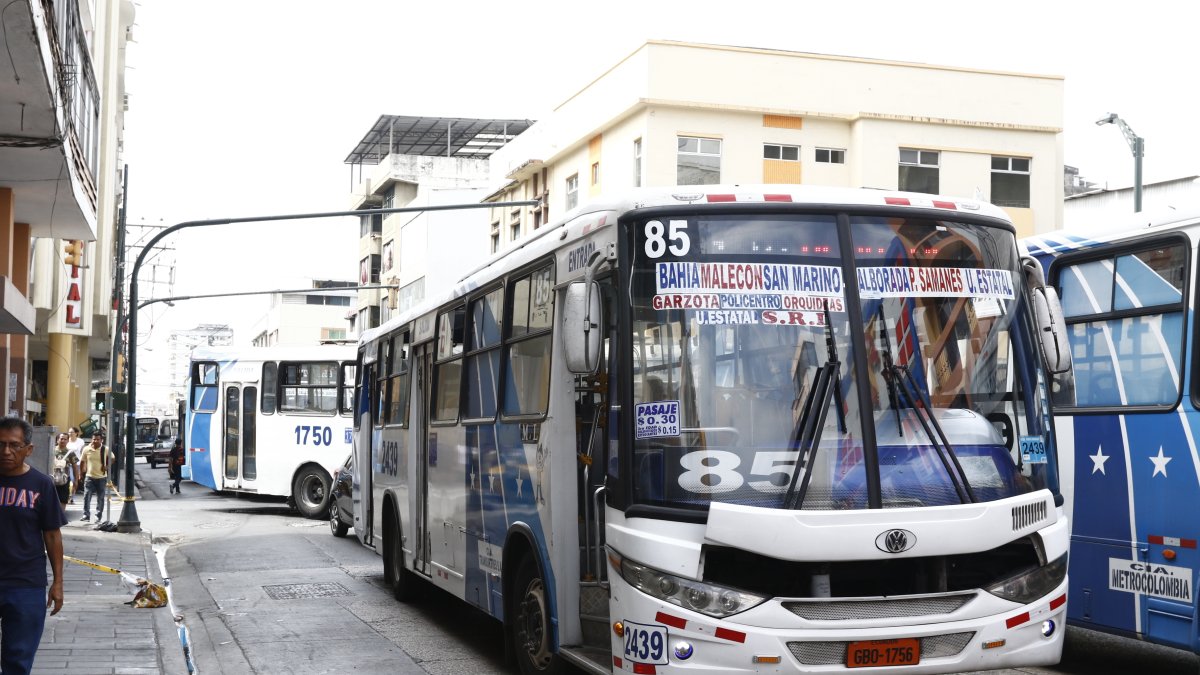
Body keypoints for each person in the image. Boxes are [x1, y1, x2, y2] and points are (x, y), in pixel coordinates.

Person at [0, 416, 66, 675]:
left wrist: (58, 583)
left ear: (28, 449)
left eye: (14, 445)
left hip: (25, 584)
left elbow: (52, 535)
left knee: (18, 659)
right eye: (1, 444)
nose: (6, 451)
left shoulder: (41, 485)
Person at [79, 432, 111, 523]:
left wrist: (107, 466)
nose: (95, 441)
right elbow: (82, 461)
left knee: (100, 498)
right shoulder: (86, 449)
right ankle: (86, 515)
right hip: (89, 477)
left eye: (97, 439)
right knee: (86, 496)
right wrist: (81, 473)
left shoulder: (105, 449)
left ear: (101, 440)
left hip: (101, 477)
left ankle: (98, 516)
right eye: (94, 439)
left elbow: (112, 458)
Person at [51, 433, 72, 509]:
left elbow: (75, 466)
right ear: (57, 440)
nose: (63, 440)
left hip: (65, 479)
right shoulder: (51, 450)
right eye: (61, 438)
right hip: (52, 478)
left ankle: (61, 517)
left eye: (65, 439)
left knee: (63, 499)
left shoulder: (70, 452)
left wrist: (76, 480)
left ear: (68, 441)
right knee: (51, 498)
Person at [65, 428, 85, 495]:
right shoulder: (66, 441)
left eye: (72, 432)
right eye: (69, 432)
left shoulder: (81, 441)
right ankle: (68, 494)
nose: (70, 434)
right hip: (68, 463)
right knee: (70, 479)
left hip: (77, 463)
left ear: (76, 433)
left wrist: (84, 463)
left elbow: (83, 452)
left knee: (75, 480)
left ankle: (72, 496)